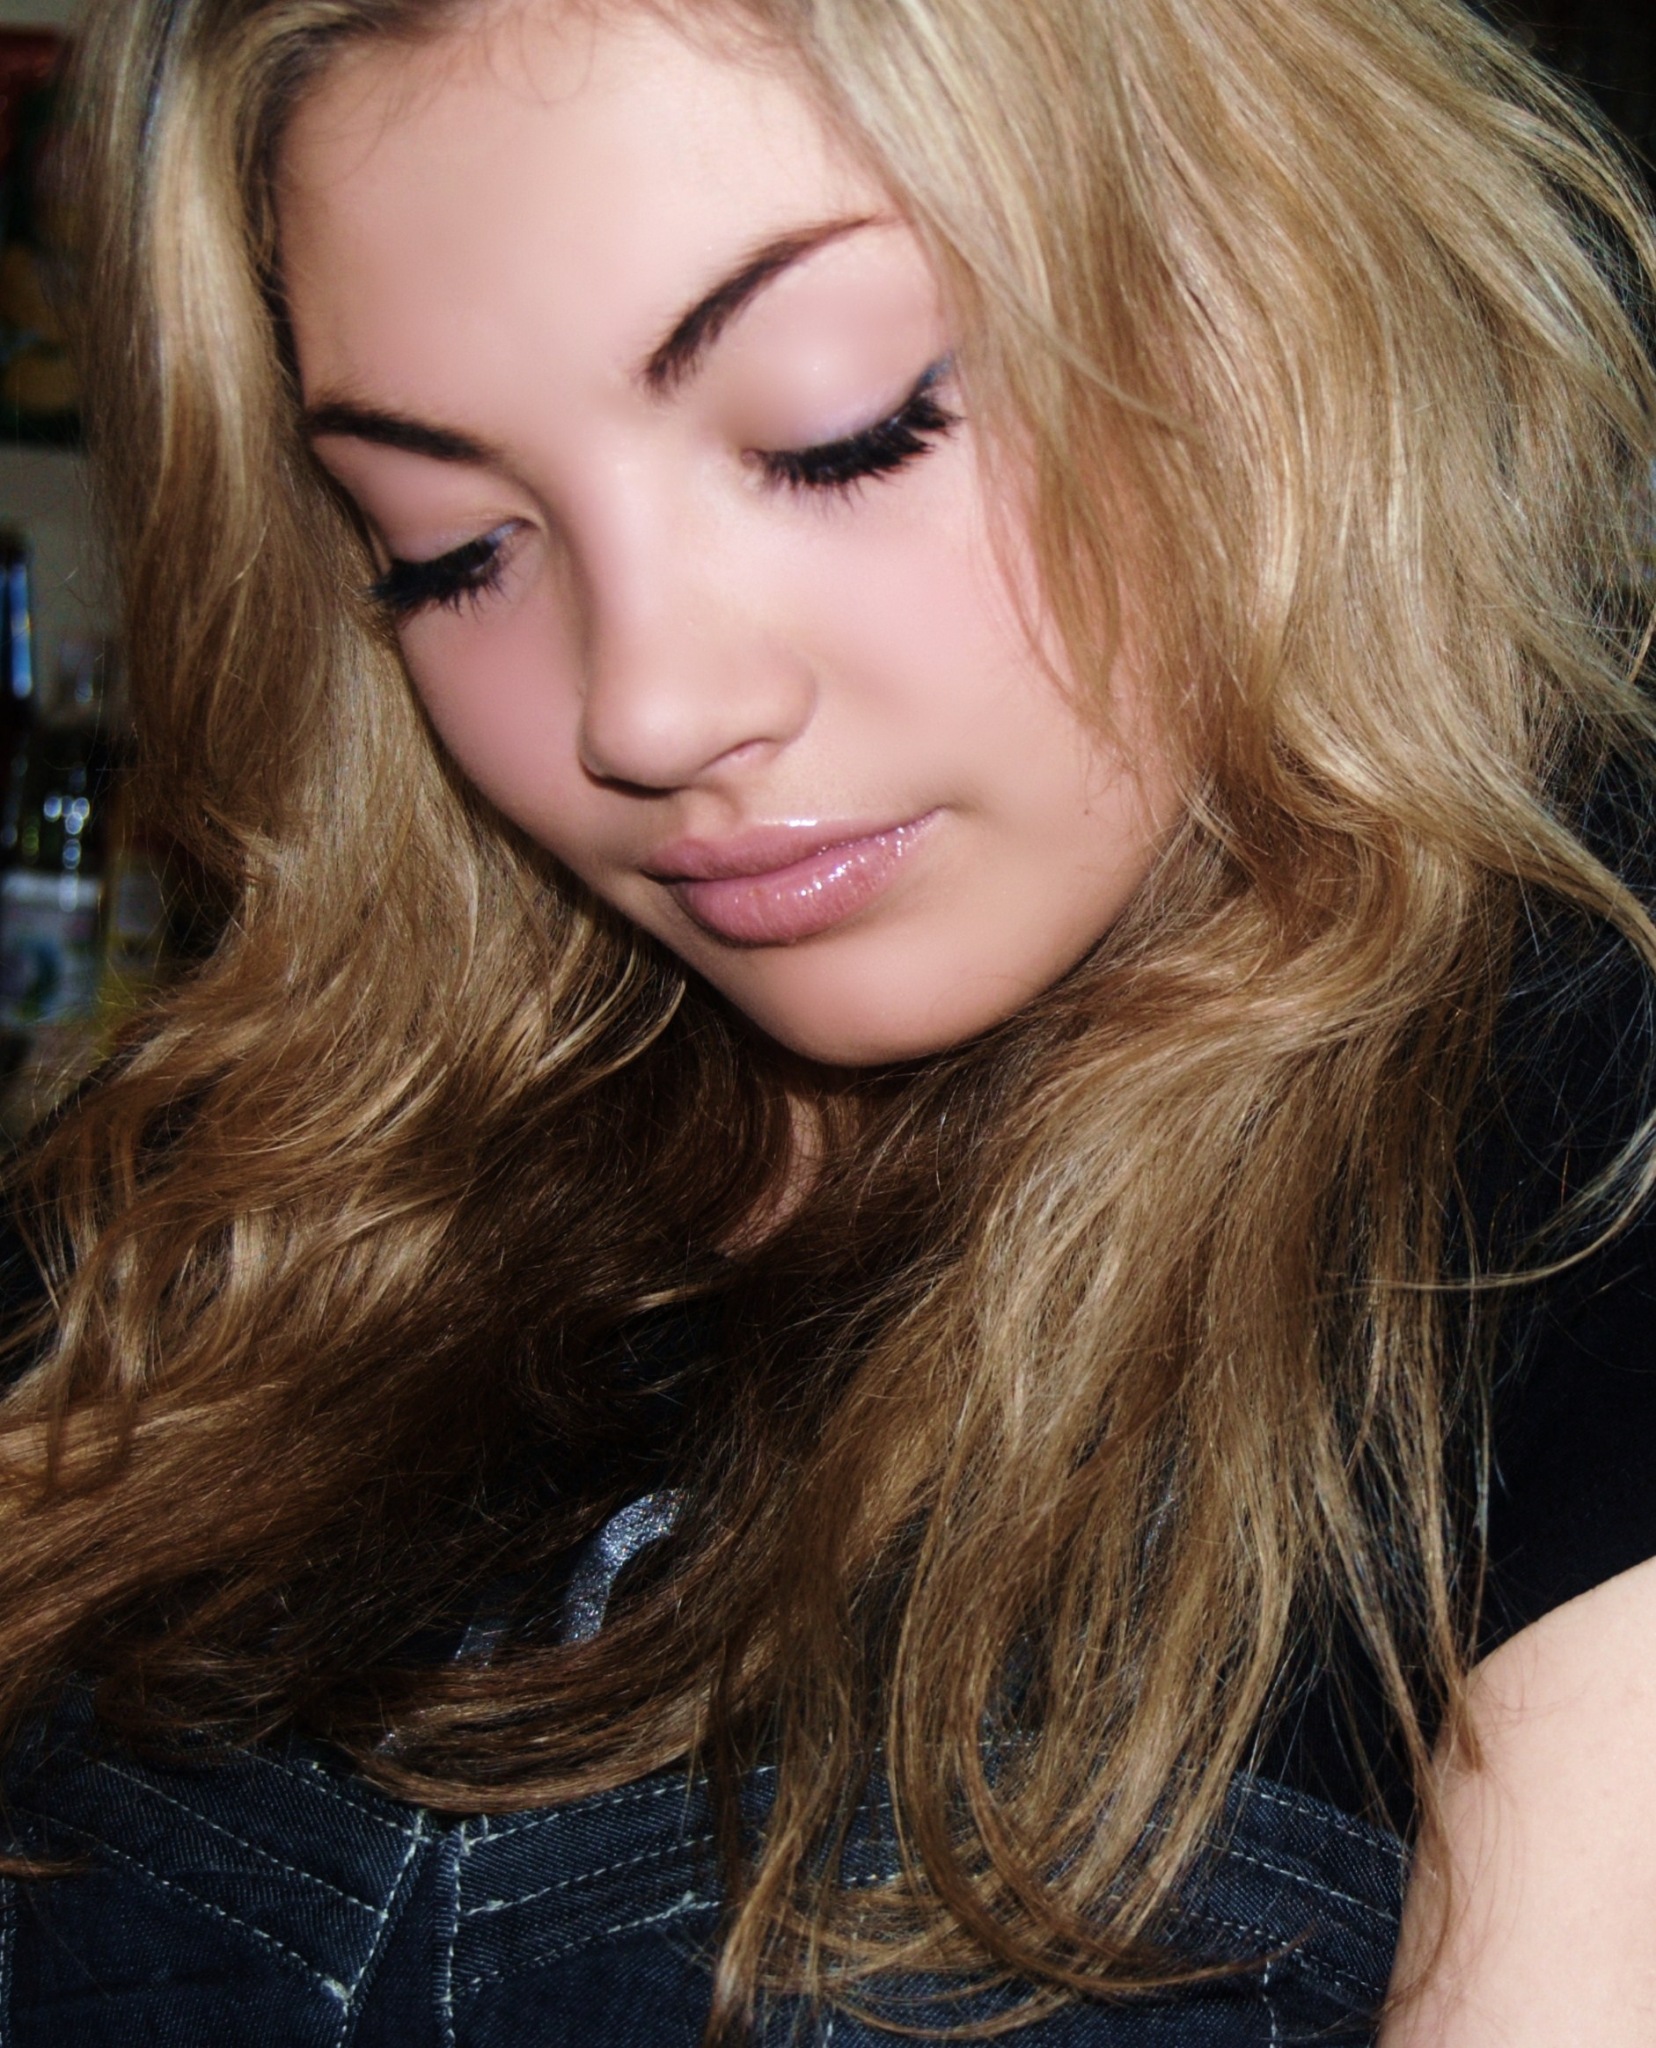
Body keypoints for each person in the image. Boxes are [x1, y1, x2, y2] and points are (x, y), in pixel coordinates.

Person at [1, 0, 1654, 2039]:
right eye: (452, 552)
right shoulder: (220, 1211)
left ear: (1270, 291)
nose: (645, 707)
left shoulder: (1583, 1170)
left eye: (838, 429)